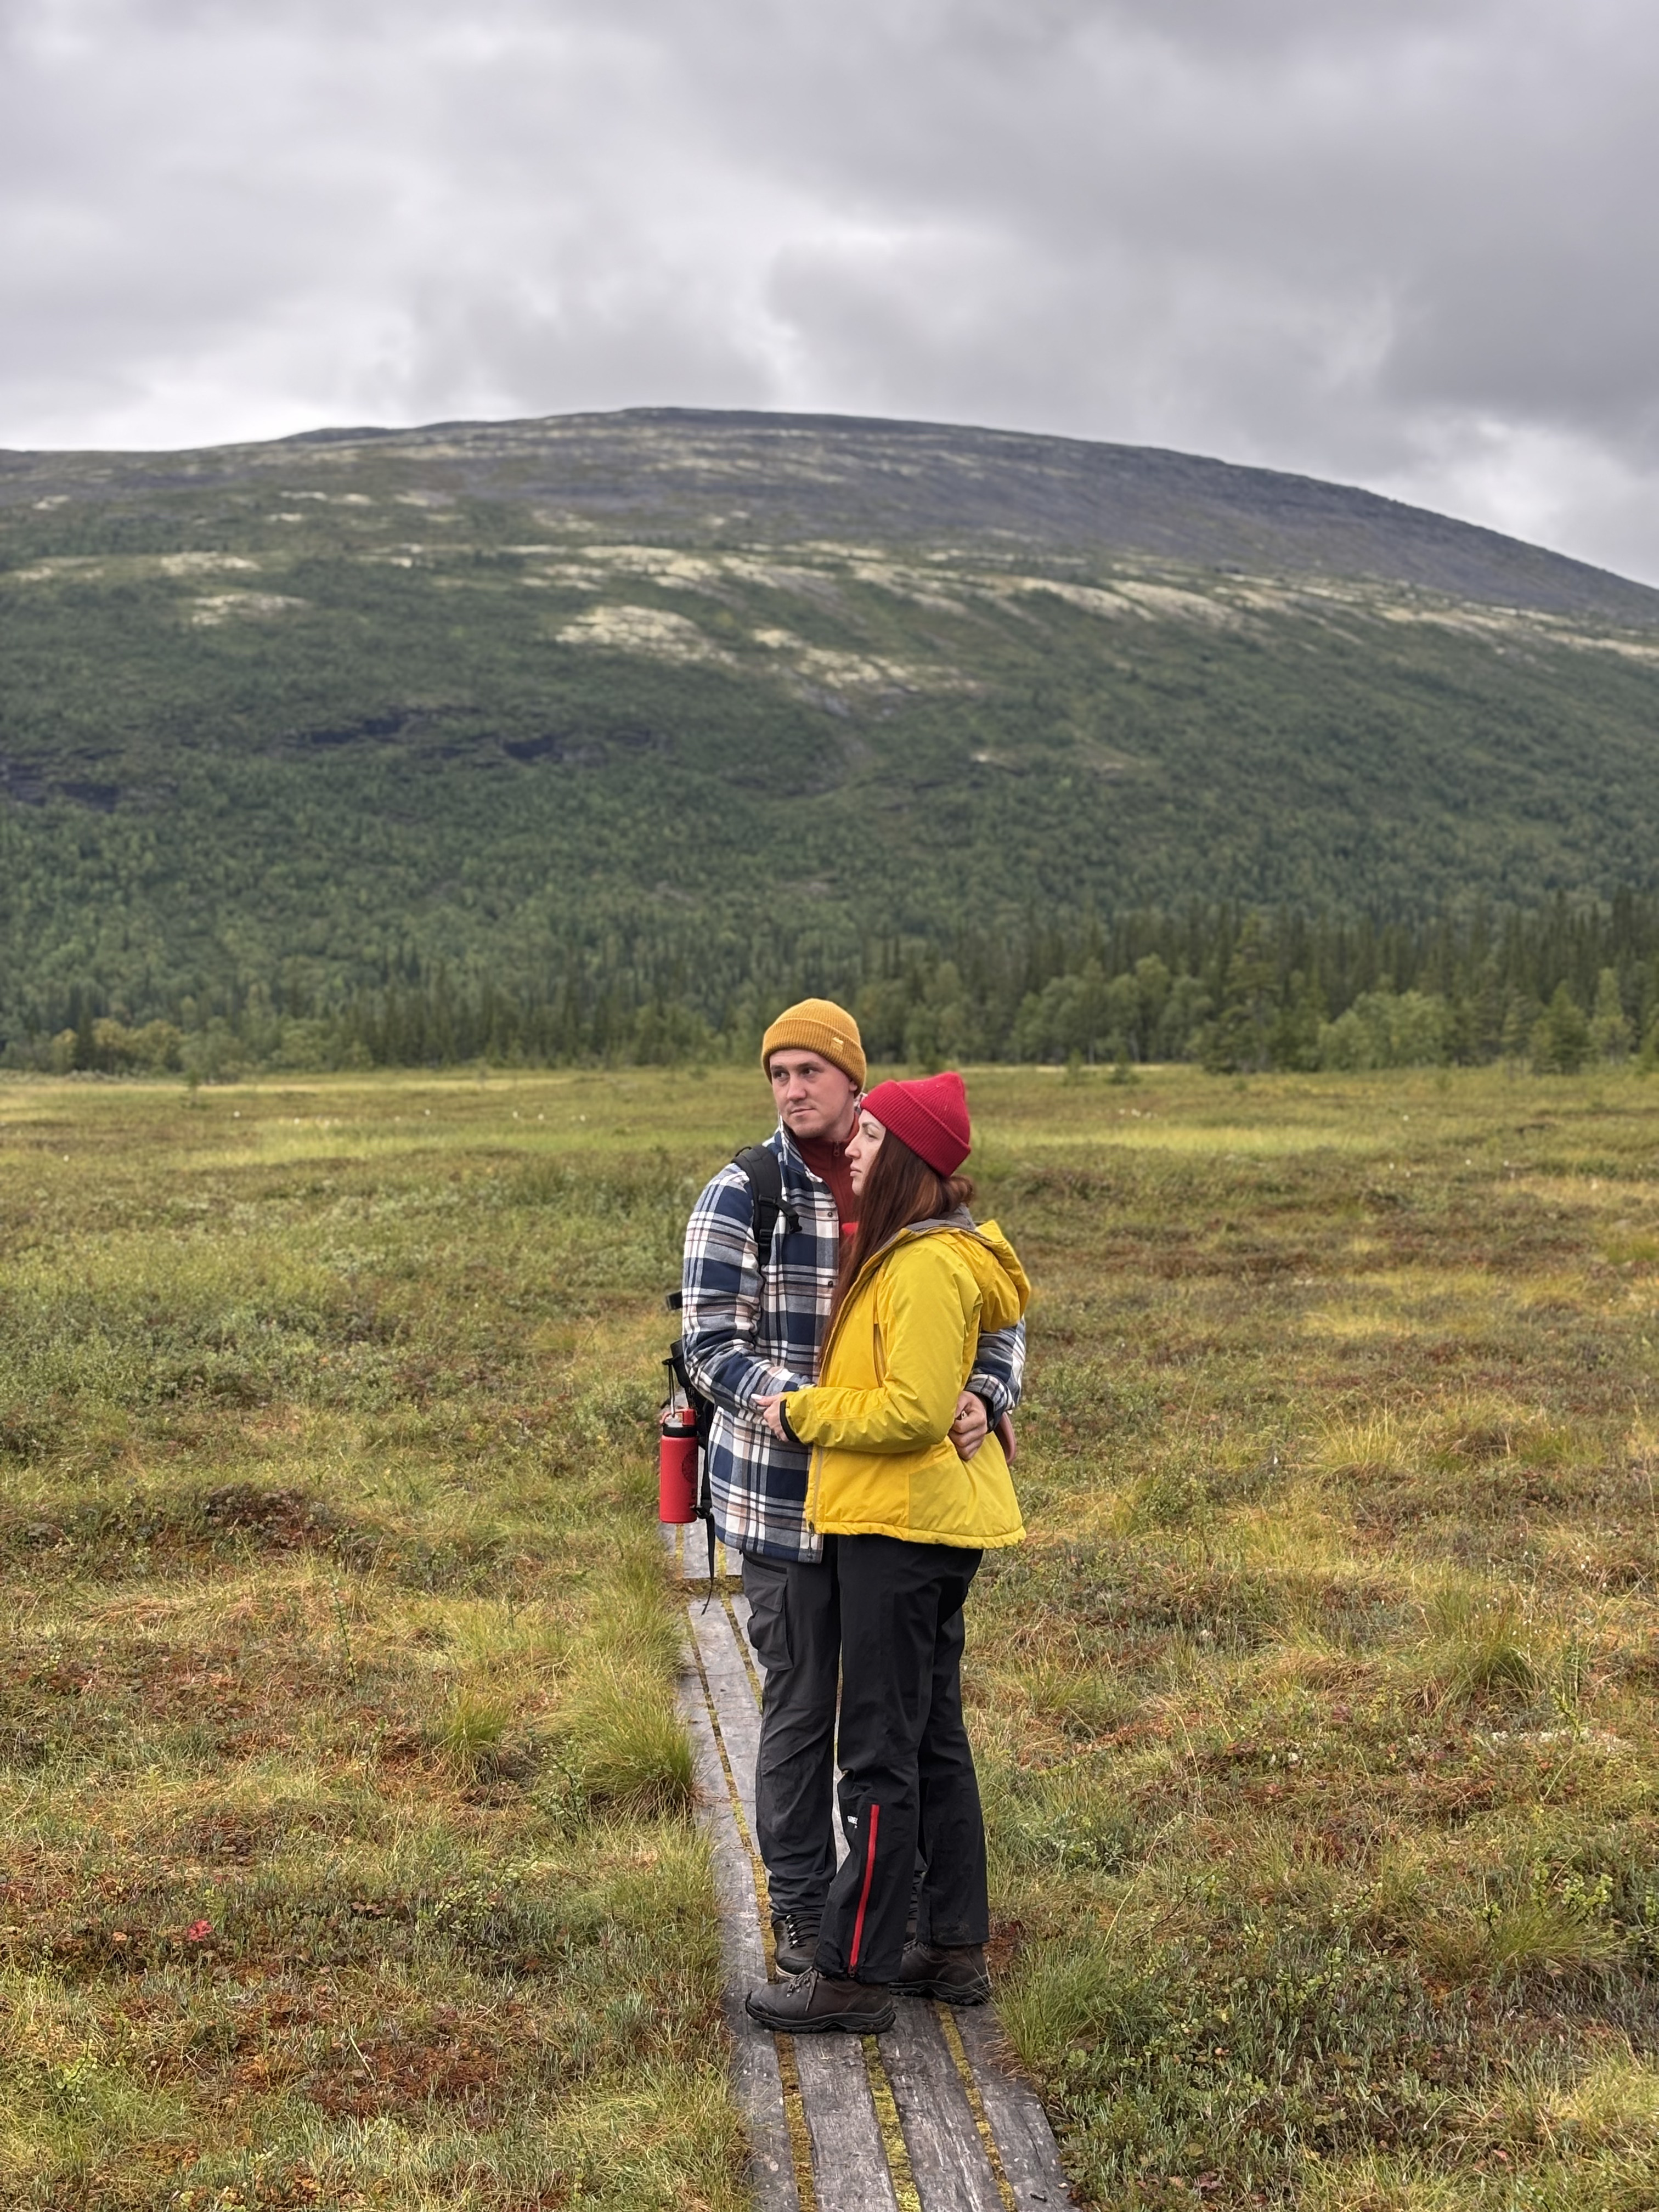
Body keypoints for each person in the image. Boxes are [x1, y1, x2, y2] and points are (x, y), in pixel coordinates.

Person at [680, 1003, 1025, 1974]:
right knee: (801, 1709)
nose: (793, 1091)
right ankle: (802, 1911)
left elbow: (993, 1319)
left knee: (907, 1716)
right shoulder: (743, 1193)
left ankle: (901, 1919)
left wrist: (981, 1393)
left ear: (853, 1080)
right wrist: (811, 1407)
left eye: (811, 1073)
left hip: (893, 1509)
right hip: (784, 1497)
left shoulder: (900, 1175)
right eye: (777, 1074)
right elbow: (712, 1346)